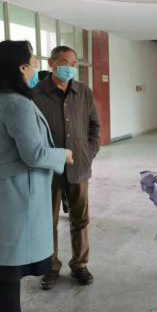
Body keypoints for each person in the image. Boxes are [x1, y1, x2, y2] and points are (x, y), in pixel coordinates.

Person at [0, 40, 72, 312]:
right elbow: (34, 154)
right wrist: (63, 155)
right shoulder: (16, 104)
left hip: (3, 197)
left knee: (10, 271)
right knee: (6, 275)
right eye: (32, 62)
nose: (35, 69)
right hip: (13, 200)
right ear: (21, 67)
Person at [33, 46, 100, 290]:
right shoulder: (36, 94)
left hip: (79, 167)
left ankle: (79, 264)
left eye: (73, 63)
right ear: (51, 63)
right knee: (47, 221)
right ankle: (50, 266)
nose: (69, 67)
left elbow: (94, 127)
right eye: (64, 62)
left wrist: (88, 154)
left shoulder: (84, 92)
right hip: (47, 170)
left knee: (80, 219)